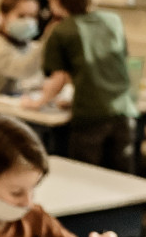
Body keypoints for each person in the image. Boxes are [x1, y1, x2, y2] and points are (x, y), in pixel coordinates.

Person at [21, 0, 139, 173]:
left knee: (85, 175)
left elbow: (59, 78)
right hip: (124, 112)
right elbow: (109, 64)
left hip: (91, 117)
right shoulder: (112, 20)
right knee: (122, 177)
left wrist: (37, 103)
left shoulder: (62, 30)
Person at [0, 0, 44, 96]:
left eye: (33, 16)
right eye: (21, 16)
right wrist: (48, 42)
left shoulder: (32, 46)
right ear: (3, 17)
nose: (28, 22)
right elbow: (23, 70)